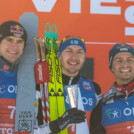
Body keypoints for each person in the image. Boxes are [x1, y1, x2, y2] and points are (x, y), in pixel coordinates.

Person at [0, 21, 86, 134]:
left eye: (19, 42)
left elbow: (31, 130)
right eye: (9, 40)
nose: (14, 46)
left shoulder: (29, 79)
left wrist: (59, 124)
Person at [35, 35, 103, 134]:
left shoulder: (94, 89)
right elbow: (28, 130)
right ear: (59, 56)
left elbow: (97, 129)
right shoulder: (42, 86)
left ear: (84, 58)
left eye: (79, 52)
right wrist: (56, 125)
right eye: (69, 51)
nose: (74, 57)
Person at [90, 43, 134, 134]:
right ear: (112, 67)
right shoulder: (102, 105)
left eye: (130, 60)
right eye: (119, 61)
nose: (125, 65)